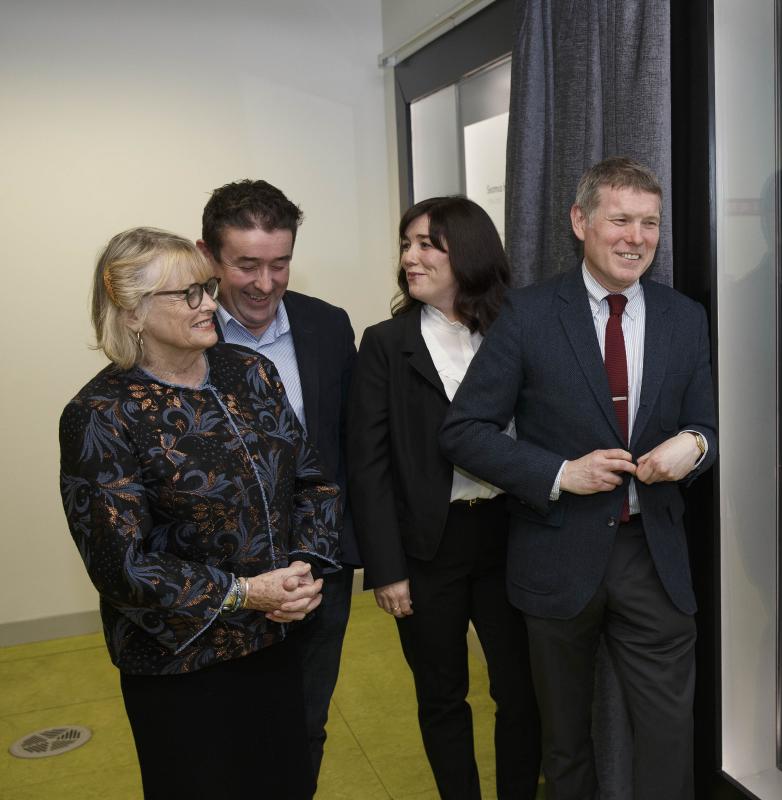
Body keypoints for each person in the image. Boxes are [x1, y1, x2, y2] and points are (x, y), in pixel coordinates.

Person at [440, 157, 718, 799]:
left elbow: (709, 423)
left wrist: (695, 445)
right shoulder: (530, 315)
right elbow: (463, 431)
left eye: (649, 222)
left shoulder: (684, 317)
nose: (636, 237)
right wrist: (560, 472)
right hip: (557, 554)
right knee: (564, 745)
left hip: (655, 558)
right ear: (580, 222)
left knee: (670, 737)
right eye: (620, 219)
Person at [59, 227, 340, 799]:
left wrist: (302, 570)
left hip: (274, 641)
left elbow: (310, 482)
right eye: (189, 294)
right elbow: (124, 567)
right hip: (179, 664)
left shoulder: (250, 373)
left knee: (286, 782)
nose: (211, 303)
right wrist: (246, 593)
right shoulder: (100, 414)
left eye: (207, 287)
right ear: (132, 311)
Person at [347, 196, 541, 799]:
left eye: (427, 243)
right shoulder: (385, 343)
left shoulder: (519, 327)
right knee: (441, 695)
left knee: (521, 691)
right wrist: (387, 569)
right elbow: (368, 465)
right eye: (407, 244)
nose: (411, 256)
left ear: (469, 251)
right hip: (429, 545)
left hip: (514, 535)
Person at [197, 179, 358, 781]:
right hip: (223, 582)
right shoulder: (186, 339)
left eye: (280, 264)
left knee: (304, 726)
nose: (265, 284)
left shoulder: (329, 327)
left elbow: (347, 451)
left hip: (316, 572)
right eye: (246, 265)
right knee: (224, 738)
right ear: (208, 257)